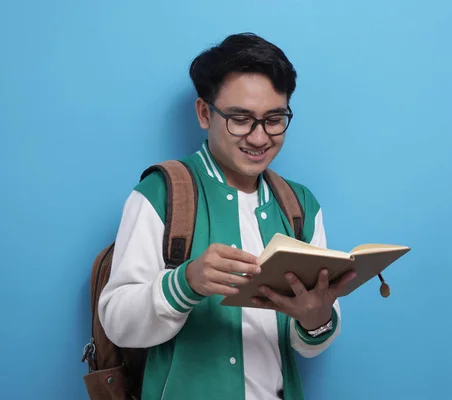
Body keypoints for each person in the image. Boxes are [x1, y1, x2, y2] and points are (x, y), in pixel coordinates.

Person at [98, 32, 357, 400]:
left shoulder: (301, 206)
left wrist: (315, 317)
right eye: (240, 119)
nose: (259, 137)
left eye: (274, 119)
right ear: (205, 113)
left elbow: (309, 345)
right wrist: (185, 283)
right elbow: (117, 323)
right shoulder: (161, 194)